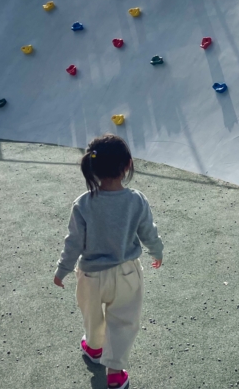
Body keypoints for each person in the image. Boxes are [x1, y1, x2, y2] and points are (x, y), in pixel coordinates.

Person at [54, 134, 163, 389]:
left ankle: (93, 348)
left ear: (92, 168)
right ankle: (115, 372)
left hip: (90, 275)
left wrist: (62, 270)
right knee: (124, 321)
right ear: (128, 165)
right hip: (127, 273)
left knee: (91, 314)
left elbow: (73, 242)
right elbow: (149, 232)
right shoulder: (136, 200)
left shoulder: (83, 203)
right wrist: (157, 252)